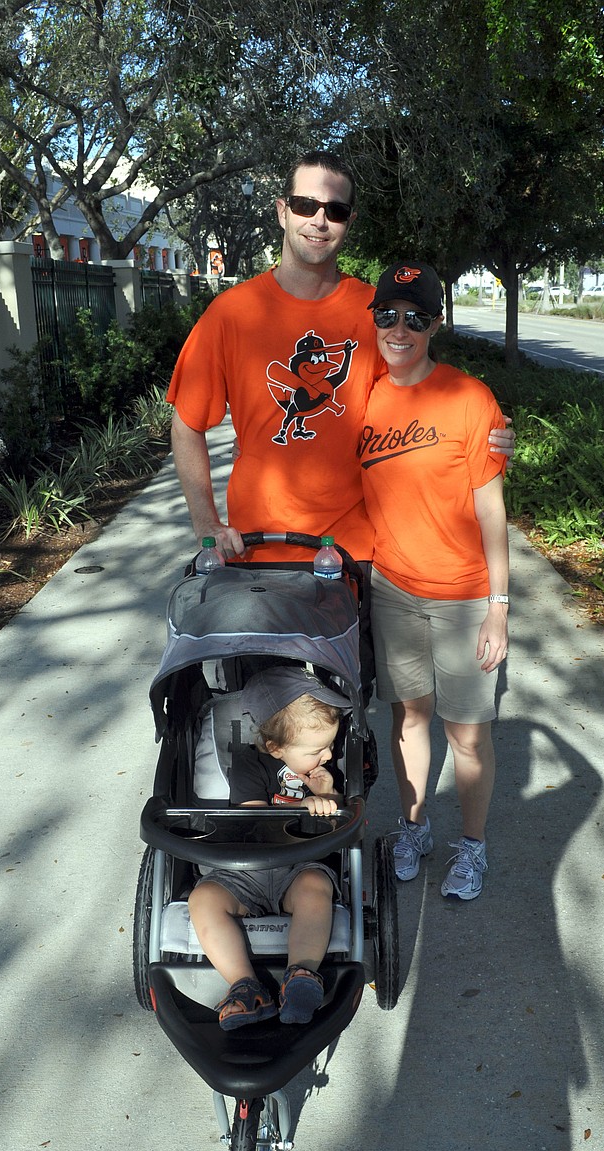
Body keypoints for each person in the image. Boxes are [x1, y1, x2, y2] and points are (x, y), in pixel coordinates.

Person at [166, 149, 516, 566]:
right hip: (256, 548)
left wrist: (479, 430)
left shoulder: (378, 313)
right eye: (305, 205)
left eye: (335, 210)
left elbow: (420, 397)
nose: (319, 221)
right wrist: (205, 523)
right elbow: (187, 423)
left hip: (353, 552)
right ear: (282, 212)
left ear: (349, 221)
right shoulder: (231, 314)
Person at [359, 261, 510, 902]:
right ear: (374, 320)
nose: (400, 329)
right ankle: (414, 828)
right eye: (388, 315)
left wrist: (499, 607)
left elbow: (491, 510)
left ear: (435, 326)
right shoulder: (361, 394)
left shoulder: (470, 399)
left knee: (467, 733)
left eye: (415, 319)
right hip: (391, 590)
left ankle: (472, 846)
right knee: (408, 718)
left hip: (464, 597)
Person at [187, 666, 350, 1031]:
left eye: (330, 745)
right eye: (317, 749)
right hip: (246, 869)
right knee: (204, 898)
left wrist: (329, 796)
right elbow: (255, 820)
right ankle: (245, 986)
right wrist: (304, 806)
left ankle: (300, 977)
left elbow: (340, 825)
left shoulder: (323, 773)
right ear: (276, 747)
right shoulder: (249, 764)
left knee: (316, 888)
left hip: (301, 865)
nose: (328, 755)